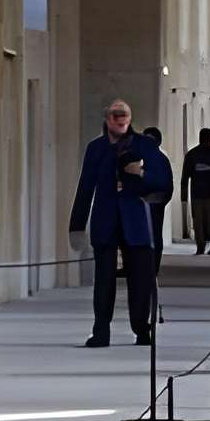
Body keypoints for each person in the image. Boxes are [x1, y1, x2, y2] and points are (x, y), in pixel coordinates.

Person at [67, 99, 171, 347]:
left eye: (123, 116)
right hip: (106, 220)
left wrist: (140, 173)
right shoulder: (96, 148)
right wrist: (77, 225)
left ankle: (142, 329)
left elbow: (162, 181)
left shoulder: (144, 145)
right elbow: (85, 187)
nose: (119, 120)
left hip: (136, 221)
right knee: (104, 280)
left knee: (140, 280)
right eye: (114, 116)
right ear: (107, 119)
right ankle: (101, 331)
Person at [184, 129, 210, 255]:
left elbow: (185, 176)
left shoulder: (192, 154)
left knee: (199, 221)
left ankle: (201, 246)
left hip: (197, 192)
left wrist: (184, 196)